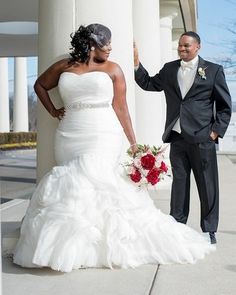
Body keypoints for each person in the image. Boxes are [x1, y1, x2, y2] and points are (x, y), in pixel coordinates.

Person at [13, 25, 215, 273]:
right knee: (74, 186)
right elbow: (40, 86)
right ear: (91, 44)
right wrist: (53, 111)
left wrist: (134, 143)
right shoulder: (64, 66)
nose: (110, 47)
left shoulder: (113, 69)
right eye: (105, 43)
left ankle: (101, 245)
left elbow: (121, 108)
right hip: (68, 133)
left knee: (97, 178)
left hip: (102, 133)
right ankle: (82, 245)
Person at [134, 31, 232, 245]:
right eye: (180, 45)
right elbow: (149, 84)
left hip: (202, 137)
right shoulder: (169, 69)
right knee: (179, 183)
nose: (182, 49)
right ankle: (177, 226)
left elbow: (225, 106)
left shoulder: (213, 71)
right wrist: (136, 65)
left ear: (198, 47)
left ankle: (209, 230)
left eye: (187, 46)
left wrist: (215, 132)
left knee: (207, 185)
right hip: (177, 136)